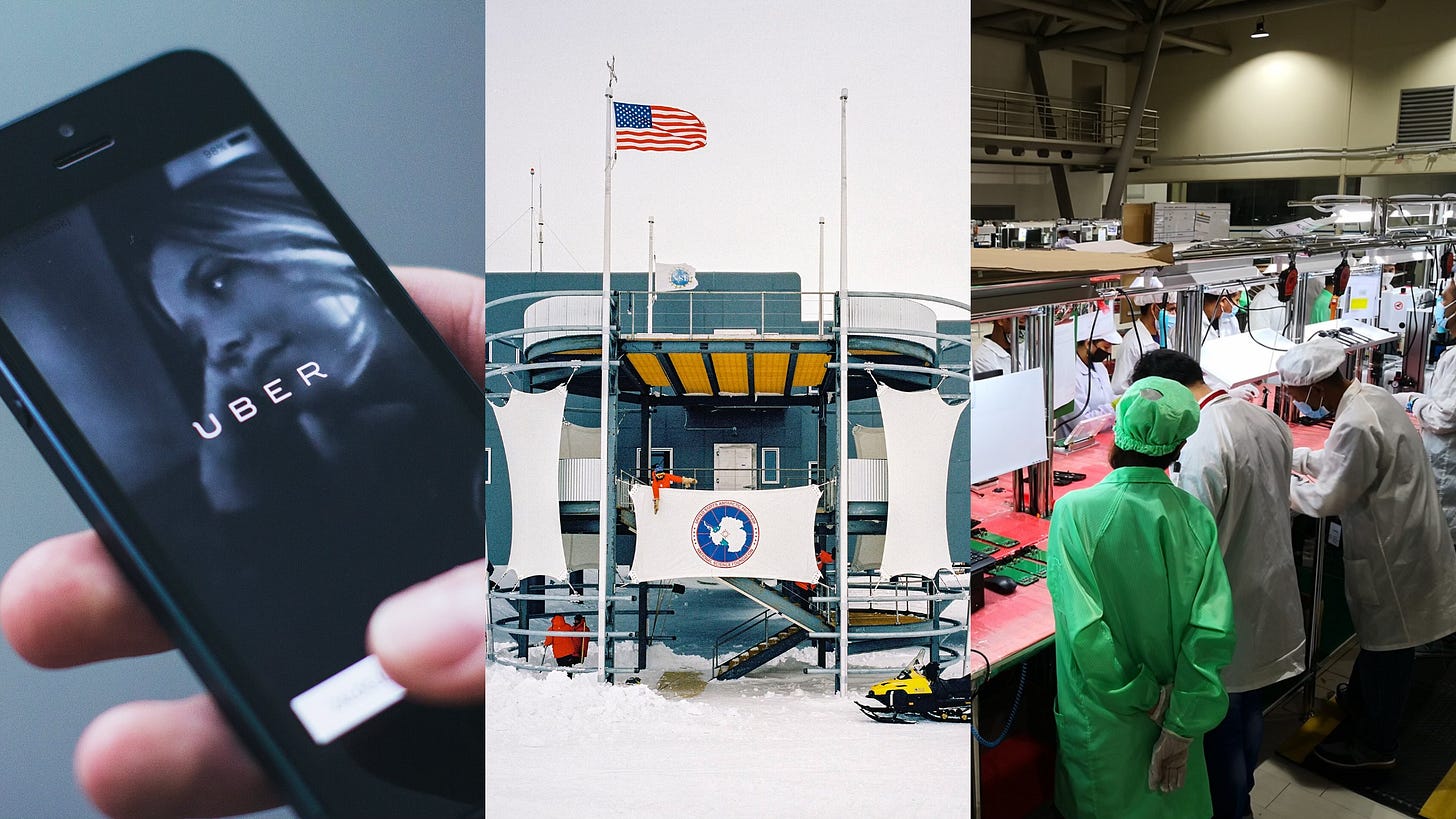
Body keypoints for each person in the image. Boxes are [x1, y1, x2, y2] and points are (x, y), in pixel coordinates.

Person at [0, 266, 486, 819]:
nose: (221, 347)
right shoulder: (356, 476)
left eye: (217, 282)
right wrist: (233, 480)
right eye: (194, 338)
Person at [1047, 376, 1235, 819]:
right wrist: (1180, 724)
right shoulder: (1196, 519)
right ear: (1178, 448)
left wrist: (1147, 696)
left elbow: (1086, 634)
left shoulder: (1075, 512)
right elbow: (1212, 632)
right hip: (1176, 710)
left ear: (1116, 432)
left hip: (1106, 721)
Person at [1132, 350, 1306, 819]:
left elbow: (1190, 540)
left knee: (1223, 725)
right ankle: (1242, 799)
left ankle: (1234, 811)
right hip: (1265, 594)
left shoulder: (1201, 440)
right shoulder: (1262, 417)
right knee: (1248, 710)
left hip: (1224, 608)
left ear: (1162, 394)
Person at [1278, 338, 1456, 769]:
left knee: (1388, 647)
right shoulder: (1370, 399)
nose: (1295, 402)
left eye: (1295, 394)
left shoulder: (1356, 422)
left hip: (1392, 553)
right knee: (1385, 644)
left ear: (1317, 388)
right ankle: (1362, 699)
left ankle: (1376, 748)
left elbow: (1327, 499)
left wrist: (1273, 482)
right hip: (1406, 539)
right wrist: (1294, 456)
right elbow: (1345, 463)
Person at [1054, 311, 1121, 441]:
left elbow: (1107, 398)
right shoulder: (1068, 374)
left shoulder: (1099, 367)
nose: (1109, 352)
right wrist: (1113, 407)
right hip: (1074, 446)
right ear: (1088, 343)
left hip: (1101, 440)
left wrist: (1123, 400)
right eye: (1106, 347)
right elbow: (1081, 423)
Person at [1110, 274, 1168, 395]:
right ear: (1154, 309)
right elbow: (1119, 387)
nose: (1173, 314)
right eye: (1171, 309)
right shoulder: (1132, 342)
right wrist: (1149, 396)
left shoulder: (1164, 335)